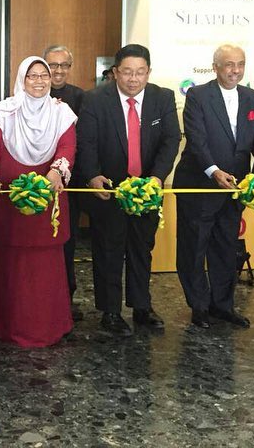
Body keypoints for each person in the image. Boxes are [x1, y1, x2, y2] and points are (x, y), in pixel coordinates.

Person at [76, 44, 180, 336]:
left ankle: (142, 306)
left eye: (140, 72)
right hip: (108, 189)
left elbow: (170, 140)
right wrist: (92, 176)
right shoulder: (95, 99)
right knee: (108, 251)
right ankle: (110, 311)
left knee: (141, 249)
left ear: (148, 72)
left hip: (147, 189)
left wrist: (157, 178)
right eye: (127, 72)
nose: (133, 79)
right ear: (115, 72)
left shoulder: (163, 97)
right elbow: (86, 142)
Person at [0, 56, 77, 347]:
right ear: (22, 79)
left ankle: (49, 326)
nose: (39, 81)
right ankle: (6, 324)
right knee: (12, 264)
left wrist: (56, 171)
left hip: (48, 201)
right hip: (11, 203)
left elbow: (67, 148)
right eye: (32, 76)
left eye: (43, 75)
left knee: (46, 266)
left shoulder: (62, 113)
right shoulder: (2, 113)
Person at [174, 44, 254, 329]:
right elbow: (196, 139)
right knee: (194, 247)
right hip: (200, 184)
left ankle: (223, 305)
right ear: (215, 67)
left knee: (226, 247)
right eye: (229, 64)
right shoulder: (198, 95)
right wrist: (214, 171)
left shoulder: (253, 98)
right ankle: (199, 306)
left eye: (240, 64)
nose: (235, 70)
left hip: (235, 187)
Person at [43, 45, 85, 321]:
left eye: (64, 65)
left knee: (67, 242)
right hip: (37, 182)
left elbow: (84, 139)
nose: (58, 71)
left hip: (70, 183)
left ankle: (66, 300)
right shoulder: (28, 93)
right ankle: (41, 298)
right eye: (52, 65)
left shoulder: (81, 98)